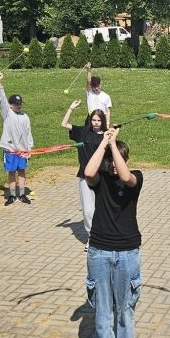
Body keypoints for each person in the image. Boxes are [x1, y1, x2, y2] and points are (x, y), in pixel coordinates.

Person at [84, 128, 143, 338]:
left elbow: (125, 174)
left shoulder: (135, 178)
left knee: (125, 308)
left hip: (127, 251)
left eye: (114, 160)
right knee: (102, 309)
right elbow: (88, 172)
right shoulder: (100, 180)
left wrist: (114, 146)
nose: (111, 165)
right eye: (109, 160)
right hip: (99, 250)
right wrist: (103, 144)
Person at [61, 101, 107, 239]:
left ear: (103, 121)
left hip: (102, 176)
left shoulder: (106, 135)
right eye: (93, 120)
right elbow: (64, 124)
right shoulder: (82, 132)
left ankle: (104, 234)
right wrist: (71, 108)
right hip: (85, 176)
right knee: (87, 210)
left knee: (102, 208)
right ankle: (92, 238)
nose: (96, 123)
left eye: (99, 120)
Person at [0, 71, 33, 205]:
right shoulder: (7, 113)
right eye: (16, 104)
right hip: (10, 149)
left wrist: (29, 149)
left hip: (22, 150)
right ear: (10, 105)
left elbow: (29, 133)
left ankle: (22, 194)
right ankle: (11, 195)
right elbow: (2, 99)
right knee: (12, 172)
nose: (19, 105)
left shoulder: (25, 117)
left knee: (22, 172)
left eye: (20, 104)